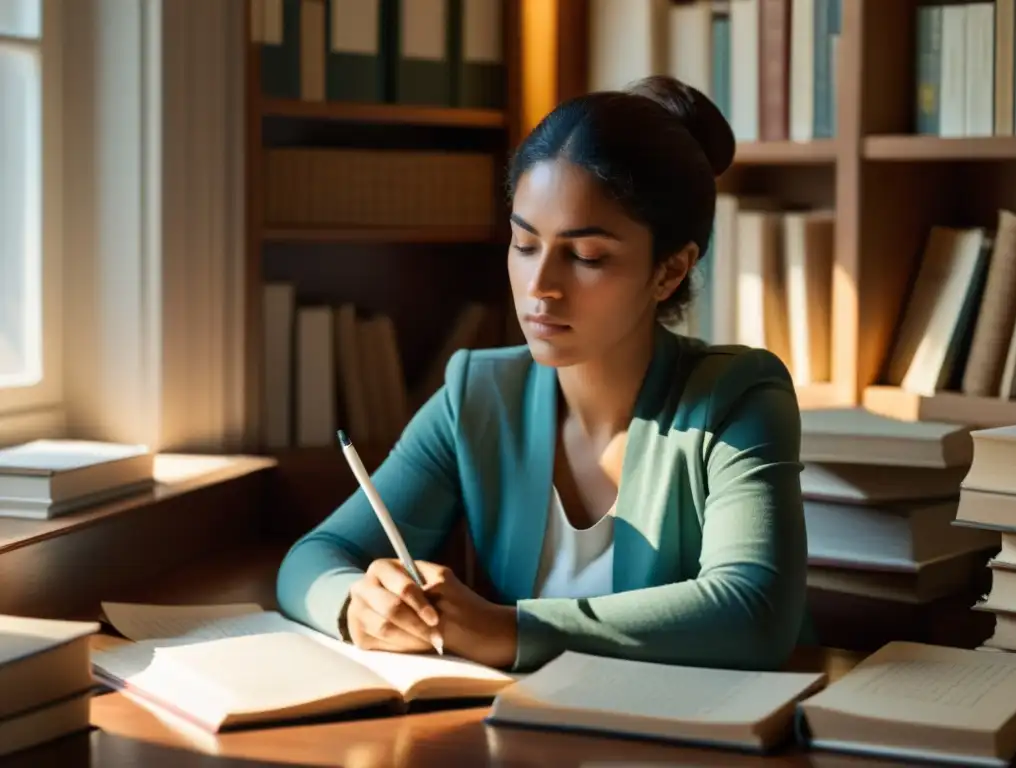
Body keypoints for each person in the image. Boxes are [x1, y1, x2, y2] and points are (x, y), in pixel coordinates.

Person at [276, 75, 812, 673]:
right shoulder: (476, 396)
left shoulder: (738, 399)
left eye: (585, 257)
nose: (540, 288)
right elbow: (314, 558)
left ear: (669, 271)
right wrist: (358, 605)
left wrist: (507, 630)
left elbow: (754, 613)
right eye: (524, 244)